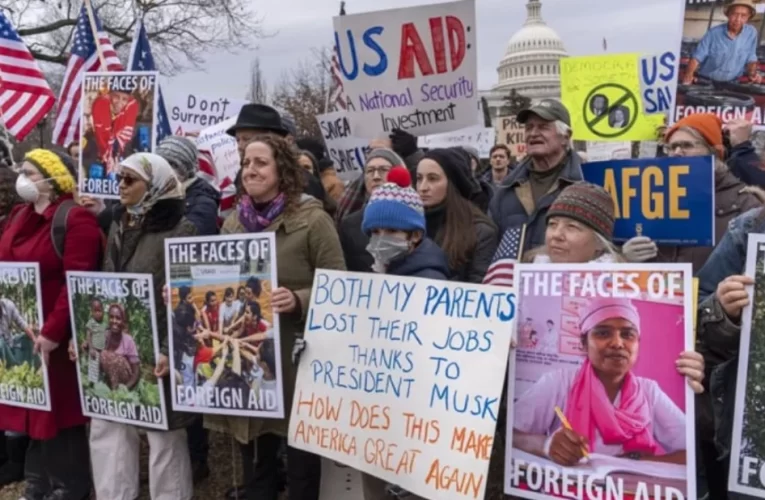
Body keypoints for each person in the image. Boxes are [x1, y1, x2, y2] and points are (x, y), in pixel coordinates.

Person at [206, 133, 346, 500]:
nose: (249, 170)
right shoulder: (234, 223)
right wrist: (181, 293)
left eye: (260, 163)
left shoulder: (313, 220)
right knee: (256, 462)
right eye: (246, 163)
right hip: (250, 363)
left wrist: (299, 298)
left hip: (298, 359)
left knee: (301, 465)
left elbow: (341, 287)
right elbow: (219, 286)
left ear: (281, 169)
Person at [89, 152, 196, 500]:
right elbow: (107, 287)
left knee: (163, 433)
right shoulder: (120, 222)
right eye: (119, 178)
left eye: (129, 180)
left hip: (159, 345)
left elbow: (187, 299)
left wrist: (168, 348)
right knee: (111, 423)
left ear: (156, 185)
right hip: (118, 339)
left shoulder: (181, 229)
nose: (120, 186)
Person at [0, 148, 102, 498]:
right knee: (33, 409)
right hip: (23, 330)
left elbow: (78, 281)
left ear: (50, 177)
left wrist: (54, 332)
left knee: (61, 414)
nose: (21, 177)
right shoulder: (20, 215)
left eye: (29, 171)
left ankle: (69, 486)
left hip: (58, 335)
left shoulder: (75, 219)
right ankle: (38, 482)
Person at [513, 297, 704, 466]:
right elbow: (511, 434)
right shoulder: (559, 383)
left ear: (638, 343)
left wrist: (640, 463)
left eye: (628, 334)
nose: (617, 343)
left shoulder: (649, 392)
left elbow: (692, 451)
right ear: (584, 343)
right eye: (603, 333)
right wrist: (546, 445)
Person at [359, 166, 448, 500]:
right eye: (375, 230)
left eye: (392, 230)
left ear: (415, 236)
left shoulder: (429, 282)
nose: (381, 238)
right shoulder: (383, 274)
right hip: (380, 417)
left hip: (411, 423)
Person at [621, 113, 760, 271]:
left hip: (712, 295)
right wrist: (624, 258)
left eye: (687, 145)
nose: (677, 152)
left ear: (713, 151)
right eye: (672, 147)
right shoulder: (649, 198)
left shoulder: (746, 204)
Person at [489, 99, 583, 251]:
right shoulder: (506, 189)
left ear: (565, 137)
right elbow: (490, 249)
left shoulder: (586, 184)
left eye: (543, 127)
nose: (533, 134)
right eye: (529, 127)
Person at [416, 148, 498, 282]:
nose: (422, 187)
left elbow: (477, 289)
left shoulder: (481, 232)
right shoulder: (408, 225)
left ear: (453, 183)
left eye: (433, 179)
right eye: (419, 179)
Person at [338, 148, 406, 272]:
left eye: (383, 170)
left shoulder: (415, 217)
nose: (375, 176)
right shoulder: (349, 224)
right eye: (370, 171)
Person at [336, 129, 424, 222]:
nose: (376, 176)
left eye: (384, 169)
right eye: (370, 150)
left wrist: (414, 155)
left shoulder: (414, 202)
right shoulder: (350, 200)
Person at [523, 183, 623, 264]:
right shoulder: (525, 278)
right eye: (553, 224)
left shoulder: (619, 285)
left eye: (571, 226)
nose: (556, 235)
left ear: (600, 243)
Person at [682, 0, 761, 85]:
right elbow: (697, 57)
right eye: (734, 14)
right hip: (707, 82)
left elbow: (751, 56)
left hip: (733, 83)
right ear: (728, 14)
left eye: (743, 16)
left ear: (748, 17)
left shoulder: (751, 33)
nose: (738, 19)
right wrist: (688, 75)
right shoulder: (713, 33)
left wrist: (753, 73)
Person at [156, 135, 221, 236]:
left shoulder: (203, 205)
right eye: (158, 165)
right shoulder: (154, 196)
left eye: (171, 165)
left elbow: (189, 243)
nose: (162, 171)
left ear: (184, 169)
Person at [99, 303, 141, 391]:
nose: (114, 321)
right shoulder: (104, 335)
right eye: (111, 317)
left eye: (118, 318)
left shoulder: (128, 340)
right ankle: (105, 385)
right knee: (100, 354)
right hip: (109, 377)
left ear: (123, 321)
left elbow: (136, 372)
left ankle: (115, 391)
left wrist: (125, 389)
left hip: (124, 381)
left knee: (109, 356)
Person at [83, 298, 107, 384]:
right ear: (92, 312)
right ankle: (92, 385)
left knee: (101, 368)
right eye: (95, 311)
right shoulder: (91, 322)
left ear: (103, 311)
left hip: (103, 351)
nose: (98, 313)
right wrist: (91, 348)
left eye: (99, 310)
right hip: (95, 350)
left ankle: (101, 384)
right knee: (93, 369)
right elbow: (88, 336)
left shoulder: (105, 324)